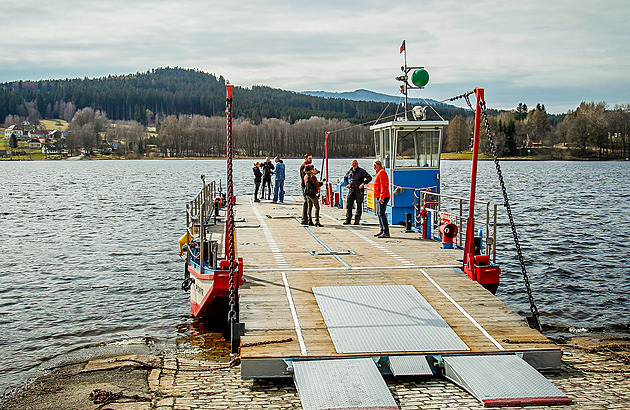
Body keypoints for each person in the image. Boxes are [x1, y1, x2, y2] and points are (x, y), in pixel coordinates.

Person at [343, 159, 372, 225]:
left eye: (355, 163)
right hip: (351, 190)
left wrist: (363, 183)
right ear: (351, 164)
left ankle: (357, 220)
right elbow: (345, 177)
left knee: (359, 205)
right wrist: (347, 184)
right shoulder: (350, 171)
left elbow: (369, 178)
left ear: (357, 164)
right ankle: (348, 219)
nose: (354, 164)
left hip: (359, 191)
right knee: (349, 204)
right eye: (353, 163)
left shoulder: (361, 171)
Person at [373, 159, 390, 238]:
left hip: (383, 196)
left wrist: (382, 197)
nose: (373, 167)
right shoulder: (378, 172)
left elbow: (384, 186)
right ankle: (382, 230)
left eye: (374, 165)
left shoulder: (382, 172)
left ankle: (386, 232)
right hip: (378, 196)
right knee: (379, 213)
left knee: (382, 213)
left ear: (377, 165)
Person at [299, 154, 313, 225]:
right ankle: (304, 218)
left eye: (311, 158)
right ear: (305, 159)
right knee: (306, 201)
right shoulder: (303, 166)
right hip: (305, 186)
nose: (311, 160)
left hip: (310, 186)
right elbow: (303, 176)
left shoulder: (310, 166)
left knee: (310, 202)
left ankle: (308, 218)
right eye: (309, 158)